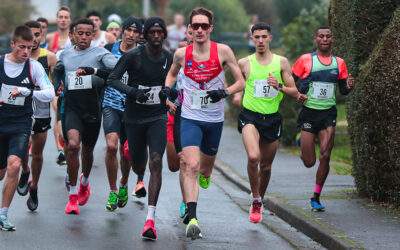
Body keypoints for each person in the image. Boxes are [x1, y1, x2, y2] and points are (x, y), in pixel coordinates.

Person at [163, 7, 245, 239]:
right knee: (190, 165)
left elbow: (241, 82)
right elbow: (171, 74)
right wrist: (166, 90)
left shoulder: (223, 51)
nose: (199, 30)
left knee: (205, 170)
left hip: (214, 120)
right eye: (195, 26)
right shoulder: (181, 54)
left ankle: (205, 176)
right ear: (189, 28)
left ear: (210, 28)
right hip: (189, 117)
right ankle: (192, 217)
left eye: (204, 26)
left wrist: (224, 92)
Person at [107, 16, 172, 241]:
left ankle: (150, 218)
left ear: (164, 34)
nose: (155, 36)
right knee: (137, 163)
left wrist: (167, 93)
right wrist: (133, 92)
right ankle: (128, 178)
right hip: (134, 117)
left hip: (157, 116)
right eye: (151, 32)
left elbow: (174, 84)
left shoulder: (169, 58)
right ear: (145, 35)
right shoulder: (133, 56)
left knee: (156, 161)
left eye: (159, 32)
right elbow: (113, 80)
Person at [234, 22, 299, 223]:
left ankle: (260, 198)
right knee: (253, 157)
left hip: (271, 119)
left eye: (264, 37)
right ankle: (255, 198)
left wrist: (278, 85)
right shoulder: (244, 62)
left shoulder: (281, 62)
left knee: (266, 166)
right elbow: (240, 84)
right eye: (257, 37)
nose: (260, 41)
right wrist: (237, 95)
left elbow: (294, 92)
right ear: (251, 39)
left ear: (270, 38)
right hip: (250, 116)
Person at [52, 18, 117, 215]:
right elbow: (57, 71)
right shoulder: (64, 54)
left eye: (88, 34)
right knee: (72, 145)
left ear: (93, 35)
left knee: (87, 151)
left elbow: (114, 71)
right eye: (80, 33)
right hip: (72, 107)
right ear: (73, 34)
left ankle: (84, 183)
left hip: (92, 108)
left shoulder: (100, 53)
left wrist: (95, 71)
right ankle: (72, 196)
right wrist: (57, 84)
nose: (84, 37)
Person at [78, 17, 143, 212]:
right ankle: (113, 190)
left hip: (132, 108)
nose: (131, 35)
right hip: (111, 104)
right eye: (128, 30)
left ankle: (124, 183)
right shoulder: (108, 49)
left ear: (139, 35)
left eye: (135, 32)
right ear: (122, 30)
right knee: (111, 146)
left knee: (127, 153)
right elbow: (101, 74)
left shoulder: (141, 54)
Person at [292, 26, 355, 212]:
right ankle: (301, 140)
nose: (325, 39)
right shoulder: (305, 60)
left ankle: (316, 197)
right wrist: (297, 94)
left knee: (326, 155)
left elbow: (342, 90)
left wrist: (349, 86)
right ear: (316, 39)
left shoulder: (339, 63)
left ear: (332, 39)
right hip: (309, 114)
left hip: (328, 114)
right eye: (321, 36)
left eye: (328, 36)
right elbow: (290, 80)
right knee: (309, 162)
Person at [0, 25, 54, 231]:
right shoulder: (0, 63)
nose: (25, 52)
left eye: (29, 47)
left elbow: (50, 93)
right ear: (12, 44)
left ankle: (3, 215)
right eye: (21, 47)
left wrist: (26, 92)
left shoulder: (34, 67)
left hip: (21, 124)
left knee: (14, 165)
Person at [16, 21, 57, 212]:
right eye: (30, 35)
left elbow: (57, 86)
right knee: (23, 147)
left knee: (38, 154)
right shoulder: (17, 60)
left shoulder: (49, 58)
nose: (33, 39)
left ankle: (34, 187)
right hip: (21, 111)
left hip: (41, 112)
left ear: (41, 36)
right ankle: (25, 171)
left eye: (37, 35)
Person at [165, 27, 193, 218]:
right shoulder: (178, 55)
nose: (194, 36)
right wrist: (167, 100)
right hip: (175, 111)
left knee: (186, 162)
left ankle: (186, 202)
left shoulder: (213, 57)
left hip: (196, 116)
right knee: (174, 165)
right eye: (190, 34)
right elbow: (167, 79)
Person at [46, 6, 72, 163]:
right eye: (60, 17)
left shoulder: (73, 37)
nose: (63, 20)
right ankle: (60, 149)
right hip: (54, 83)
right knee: (58, 110)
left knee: (67, 114)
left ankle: (68, 142)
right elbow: (47, 61)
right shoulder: (50, 38)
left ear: (69, 20)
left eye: (66, 17)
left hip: (72, 83)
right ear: (56, 20)